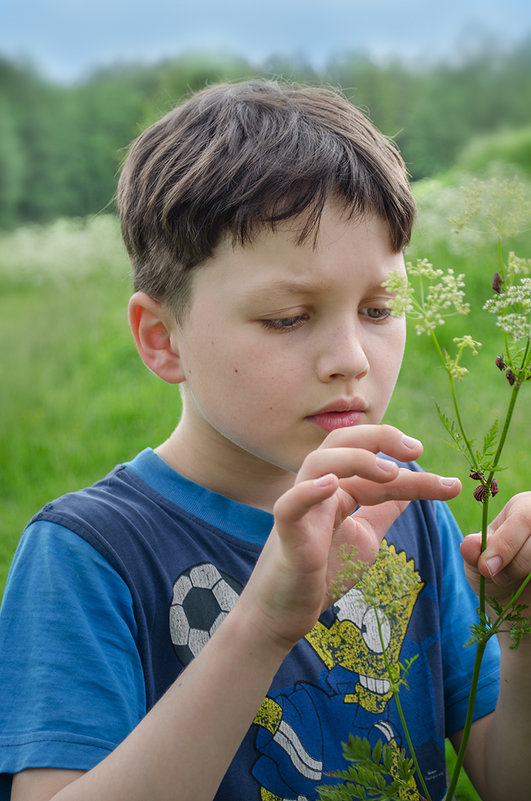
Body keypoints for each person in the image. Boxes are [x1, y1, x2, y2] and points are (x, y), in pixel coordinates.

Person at [1, 79, 530, 801]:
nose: (351, 355)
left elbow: (508, 777)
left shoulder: (407, 516)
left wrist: (521, 633)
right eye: (287, 316)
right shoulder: (89, 555)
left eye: (379, 307)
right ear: (162, 339)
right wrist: (262, 625)